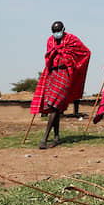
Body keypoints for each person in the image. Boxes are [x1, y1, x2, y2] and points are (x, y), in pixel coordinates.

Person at [30, 21, 91, 149]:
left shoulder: (72, 40)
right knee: (54, 108)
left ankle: (45, 138)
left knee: (54, 105)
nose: (56, 33)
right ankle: (56, 137)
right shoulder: (50, 41)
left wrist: (74, 66)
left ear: (63, 29)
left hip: (65, 74)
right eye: (54, 31)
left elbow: (86, 52)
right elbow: (48, 56)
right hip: (53, 74)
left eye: (58, 30)